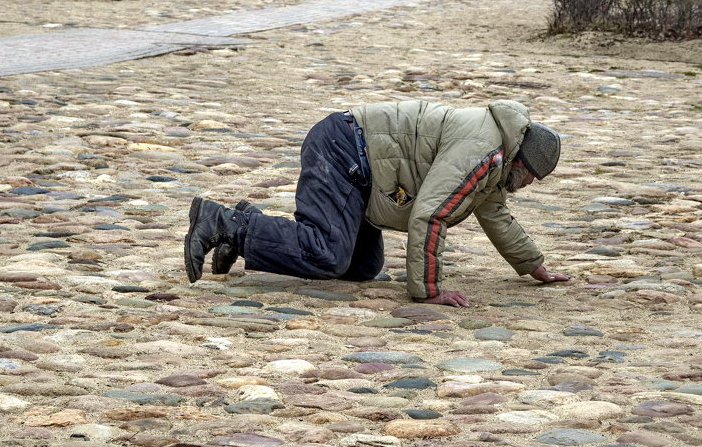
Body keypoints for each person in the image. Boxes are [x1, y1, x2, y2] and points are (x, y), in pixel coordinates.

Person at [184, 99, 572, 307]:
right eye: (532, 176)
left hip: (368, 174)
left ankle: (249, 228)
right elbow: (431, 214)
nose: (528, 184)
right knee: (328, 255)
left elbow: (495, 213)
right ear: (522, 160)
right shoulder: (484, 149)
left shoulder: (496, 155)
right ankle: (224, 222)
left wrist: (533, 267)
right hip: (343, 148)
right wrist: (428, 290)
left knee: (362, 267)